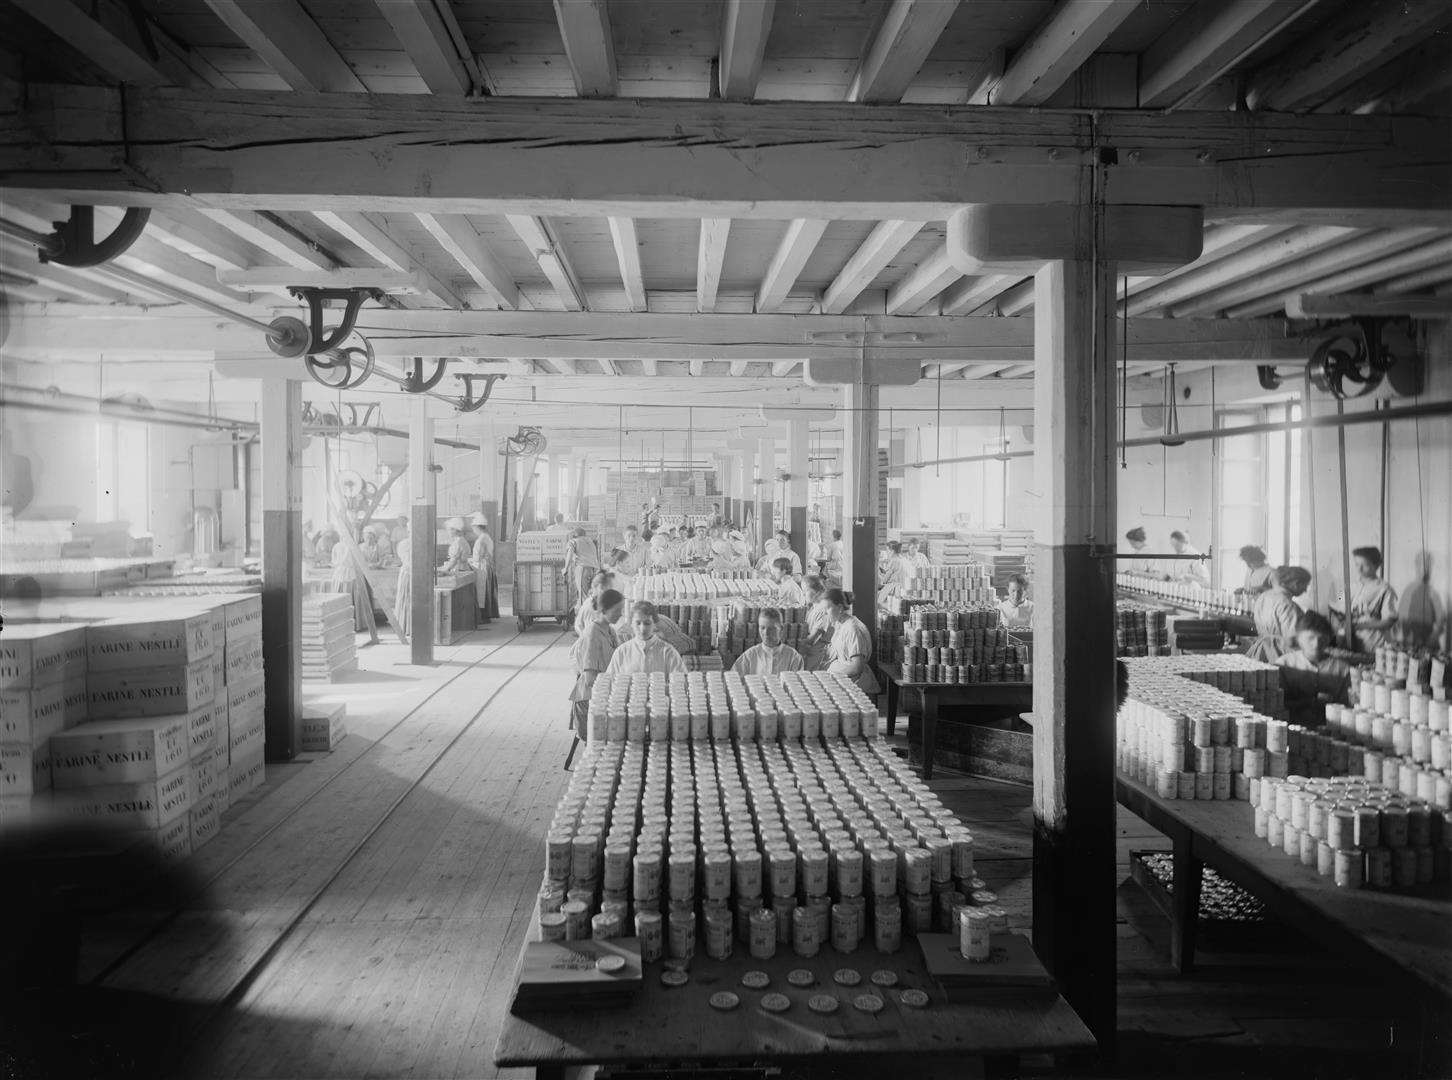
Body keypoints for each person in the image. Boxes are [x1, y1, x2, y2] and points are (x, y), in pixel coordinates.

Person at [1277, 611, 1352, 726]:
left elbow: (1347, 708)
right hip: (1291, 728)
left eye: (1321, 638)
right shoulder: (1284, 665)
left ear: (1329, 639)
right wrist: (1309, 702)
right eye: (1310, 638)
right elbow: (1276, 702)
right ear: (1299, 639)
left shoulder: (1343, 670)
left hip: (1331, 731)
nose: (1316, 644)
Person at [569, 588, 624, 737]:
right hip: (590, 702)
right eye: (617, 610)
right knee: (598, 748)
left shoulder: (611, 631)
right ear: (603, 610)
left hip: (603, 698)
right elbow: (589, 679)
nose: (621, 614)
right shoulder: (592, 634)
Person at [1334, 546, 1399, 652]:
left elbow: (1389, 622)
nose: (1359, 568)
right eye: (1357, 564)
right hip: (1347, 641)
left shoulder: (1385, 589)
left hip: (1372, 642)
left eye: (1365, 565)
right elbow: (1339, 603)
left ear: (1376, 565)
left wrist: (1359, 626)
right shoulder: (1347, 586)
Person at [820, 588, 880, 695]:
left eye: (828, 608)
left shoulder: (853, 629)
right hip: (844, 680)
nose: (825, 613)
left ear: (840, 608)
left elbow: (857, 668)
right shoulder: (841, 624)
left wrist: (832, 676)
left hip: (855, 684)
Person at [1247, 565, 1310, 662]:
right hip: (1280, 655)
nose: (1305, 590)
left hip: (1261, 651)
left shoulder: (1264, 596)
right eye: (1305, 585)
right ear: (1296, 583)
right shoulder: (1288, 604)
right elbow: (1291, 640)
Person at [605, 601, 687, 676]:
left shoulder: (668, 653)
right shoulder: (621, 652)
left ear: (654, 624)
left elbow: (682, 683)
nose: (642, 628)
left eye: (647, 623)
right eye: (638, 623)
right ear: (631, 624)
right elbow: (608, 683)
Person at [732, 607, 805, 675]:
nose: (766, 633)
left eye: (771, 629)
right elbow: (733, 680)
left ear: (781, 628)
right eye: (762, 628)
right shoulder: (749, 656)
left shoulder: (794, 658)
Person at [469, 513, 498, 624]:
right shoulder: (487, 537)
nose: (473, 531)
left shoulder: (481, 540)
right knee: (487, 591)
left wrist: (470, 560)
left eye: (474, 528)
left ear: (478, 527)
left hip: (482, 567)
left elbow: (478, 557)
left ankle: (484, 616)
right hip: (488, 566)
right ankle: (487, 615)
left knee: (482, 592)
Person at [565, 527, 603, 610]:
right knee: (590, 594)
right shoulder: (590, 541)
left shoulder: (574, 541)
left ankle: (585, 619)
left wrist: (565, 568)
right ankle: (592, 615)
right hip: (594, 570)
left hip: (583, 569)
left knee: (583, 596)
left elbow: (570, 552)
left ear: (575, 535)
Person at [574, 570, 620, 635]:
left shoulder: (596, 601)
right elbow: (592, 633)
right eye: (611, 588)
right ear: (601, 588)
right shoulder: (592, 607)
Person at [800, 576, 831, 670]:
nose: (803, 594)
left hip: (817, 654)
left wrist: (791, 643)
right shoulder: (814, 607)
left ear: (818, 592)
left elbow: (813, 639)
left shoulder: (823, 610)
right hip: (810, 653)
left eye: (805, 591)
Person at [392, 525, 411, 639]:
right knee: (407, 597)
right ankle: (407, 625)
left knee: (406, 598)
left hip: (407, 572)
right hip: (408, 572)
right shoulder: (405, 544)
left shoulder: (403, 544)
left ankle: (406, 625)